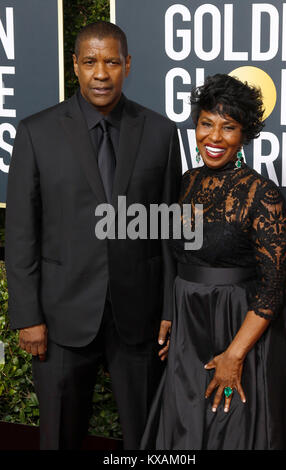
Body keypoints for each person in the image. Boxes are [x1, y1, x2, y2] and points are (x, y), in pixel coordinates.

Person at [5, 21, 181, 450]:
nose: (101, 73)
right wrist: (28, 316)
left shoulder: (159, 132)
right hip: (60, 317)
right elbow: (22, 232)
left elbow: (173, 228)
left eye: (112, 62)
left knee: (145, 438)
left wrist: (170, 307)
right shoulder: (36, 132)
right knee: (60, 434)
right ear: (75, 66)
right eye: (90, 62)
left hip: (138, 319)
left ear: (128, 65)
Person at [141, 73, 286, 450]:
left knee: (231, 431)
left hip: (239, 330)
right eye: (206, 123)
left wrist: (234, 354)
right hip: (189, 332)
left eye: (227, 127)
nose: (213, 137)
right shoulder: (185, 182)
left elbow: (273, 288)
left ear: (244, 134)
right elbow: (175, 258)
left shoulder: (263, 195)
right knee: (184, 432)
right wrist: (173, 315)